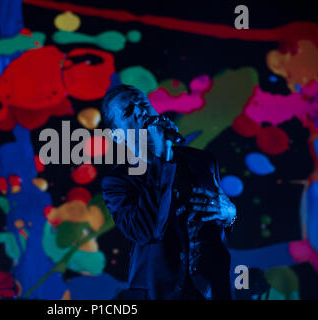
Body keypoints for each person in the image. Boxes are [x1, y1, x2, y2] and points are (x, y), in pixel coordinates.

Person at [101, 85, 237, 300]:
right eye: (128, 112)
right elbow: (147, 230)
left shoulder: (202, 161)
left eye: (143, 104)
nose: (140, 111)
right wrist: (162, 157)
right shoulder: (118, 181)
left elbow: (212, 226)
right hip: (160, 293)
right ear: (117, 136)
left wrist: (230, 216)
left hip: (211, 290)